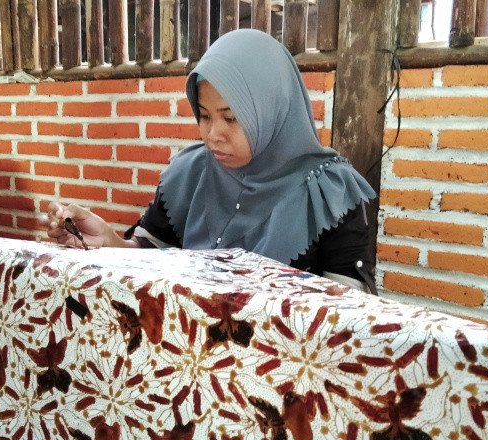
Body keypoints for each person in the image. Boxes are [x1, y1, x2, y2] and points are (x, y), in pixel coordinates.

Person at [45, 29, 377, 293]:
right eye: (203, 116)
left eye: (231, 119)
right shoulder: (190, 173)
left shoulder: (329, 193)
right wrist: (108, 240)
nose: (213, 135)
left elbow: (348, 315)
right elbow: (150, 252)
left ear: (273, 111)